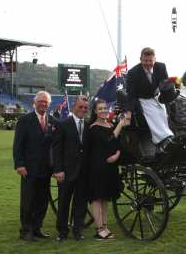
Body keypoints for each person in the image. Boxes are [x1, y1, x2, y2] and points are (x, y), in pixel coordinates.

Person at [13, 91, 55, 242]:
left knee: (42, 201)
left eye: (46, 102)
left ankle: (37, 228)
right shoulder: (25, 120)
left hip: (46, 169)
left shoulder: (52, 120)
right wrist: (19, 164)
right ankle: (25, 231)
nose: (43, 104)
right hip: (29, 169)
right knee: (28, 201)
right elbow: (18, 145)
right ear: (34, 102)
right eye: (41, 101)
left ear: (49, 104)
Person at [87, 99, 131, 240]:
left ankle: (105, 226)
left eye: (105, 108)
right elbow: (109, 140)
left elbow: (117, 143)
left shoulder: (109, 124)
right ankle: (99, 229)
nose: (104, 111)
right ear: (95, 111)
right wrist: (120, 124)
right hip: (97, 167)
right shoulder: (93, 128)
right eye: (100, 109)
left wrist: (117, 154)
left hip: (110, 166)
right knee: (97, 198)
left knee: (105, 198)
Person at [52, 95, 90, 241]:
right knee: (63, 203)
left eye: (85, 108)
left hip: (83, 172)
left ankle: (78, 231)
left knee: (81, 204)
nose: (83, 110)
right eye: (80, 107)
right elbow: (57, 150)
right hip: (66, 172)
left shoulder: (88, 126)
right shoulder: (63, 124)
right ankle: (62, 232)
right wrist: (58, 170)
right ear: (74, 107)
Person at [126, 47, 174, 153]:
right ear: (141, 59)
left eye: (150, 61)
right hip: (143, 100)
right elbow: (131, 95)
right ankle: (161, 140)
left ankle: (169, 137)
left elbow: (165, 85)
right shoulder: (133, 73)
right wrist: (128, 112)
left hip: (157, 98)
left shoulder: (161, 67)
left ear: (154, 59)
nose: (148, 63)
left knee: (164, 112)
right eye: (145, 61)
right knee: (153, 116)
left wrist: (169, 99)